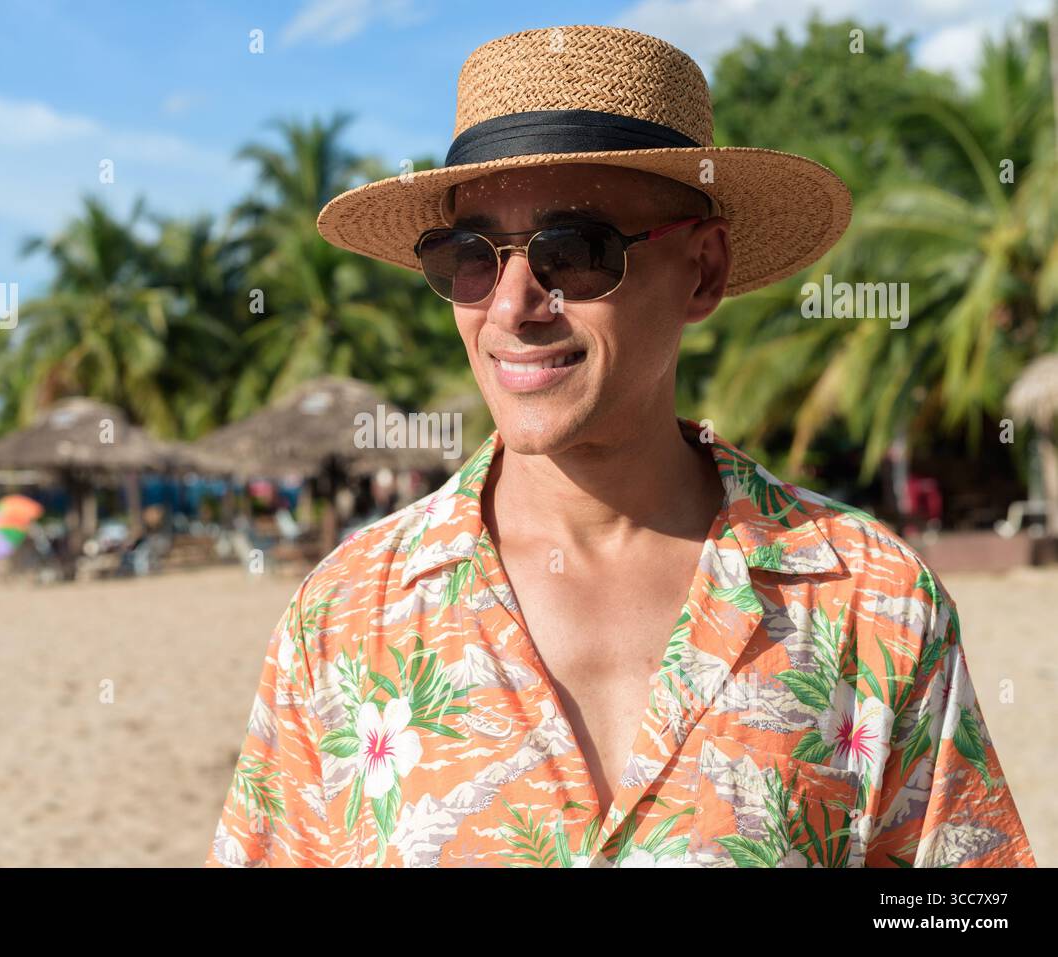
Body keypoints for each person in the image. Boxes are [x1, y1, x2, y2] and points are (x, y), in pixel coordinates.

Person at [204, 24, 1036, 868]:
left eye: (575, 251)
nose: (514, 305)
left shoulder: (875, 606)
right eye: (471, 257)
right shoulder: (344, 621)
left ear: (703, 270)